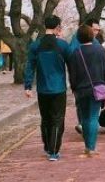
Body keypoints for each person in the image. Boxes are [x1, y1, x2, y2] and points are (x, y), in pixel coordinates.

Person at [24, 14, 70, 161]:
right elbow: (72, 64)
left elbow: (30, 66)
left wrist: (28, 86)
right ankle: (54, 151)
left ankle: (47, 146)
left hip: (42, 88)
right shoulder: (63, 45)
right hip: (59, 88)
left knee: (46, 118)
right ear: (57, 27)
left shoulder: (36, 45)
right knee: (58, 119)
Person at [68, 24, 105, 156]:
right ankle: (91, 147)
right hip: (97, 87)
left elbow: (72, 74)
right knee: (93, 117)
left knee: (85, 118)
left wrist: (74, 88)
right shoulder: (100, 51)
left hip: (81, 89)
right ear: (92, 36)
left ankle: (87, 146)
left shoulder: (76, 53)